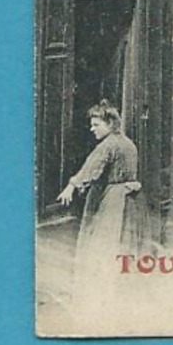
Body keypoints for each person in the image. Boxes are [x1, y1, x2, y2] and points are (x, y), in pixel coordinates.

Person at [57, 101, 143, 289]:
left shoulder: (108, 145)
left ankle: (101, 288)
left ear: (110, 124)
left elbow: (92, 167)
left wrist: (72, 185)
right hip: (128, 199)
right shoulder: (129, 144)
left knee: (104, 242)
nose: (92, 129)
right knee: (123, 242)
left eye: (96, 125)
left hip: (111, 200)